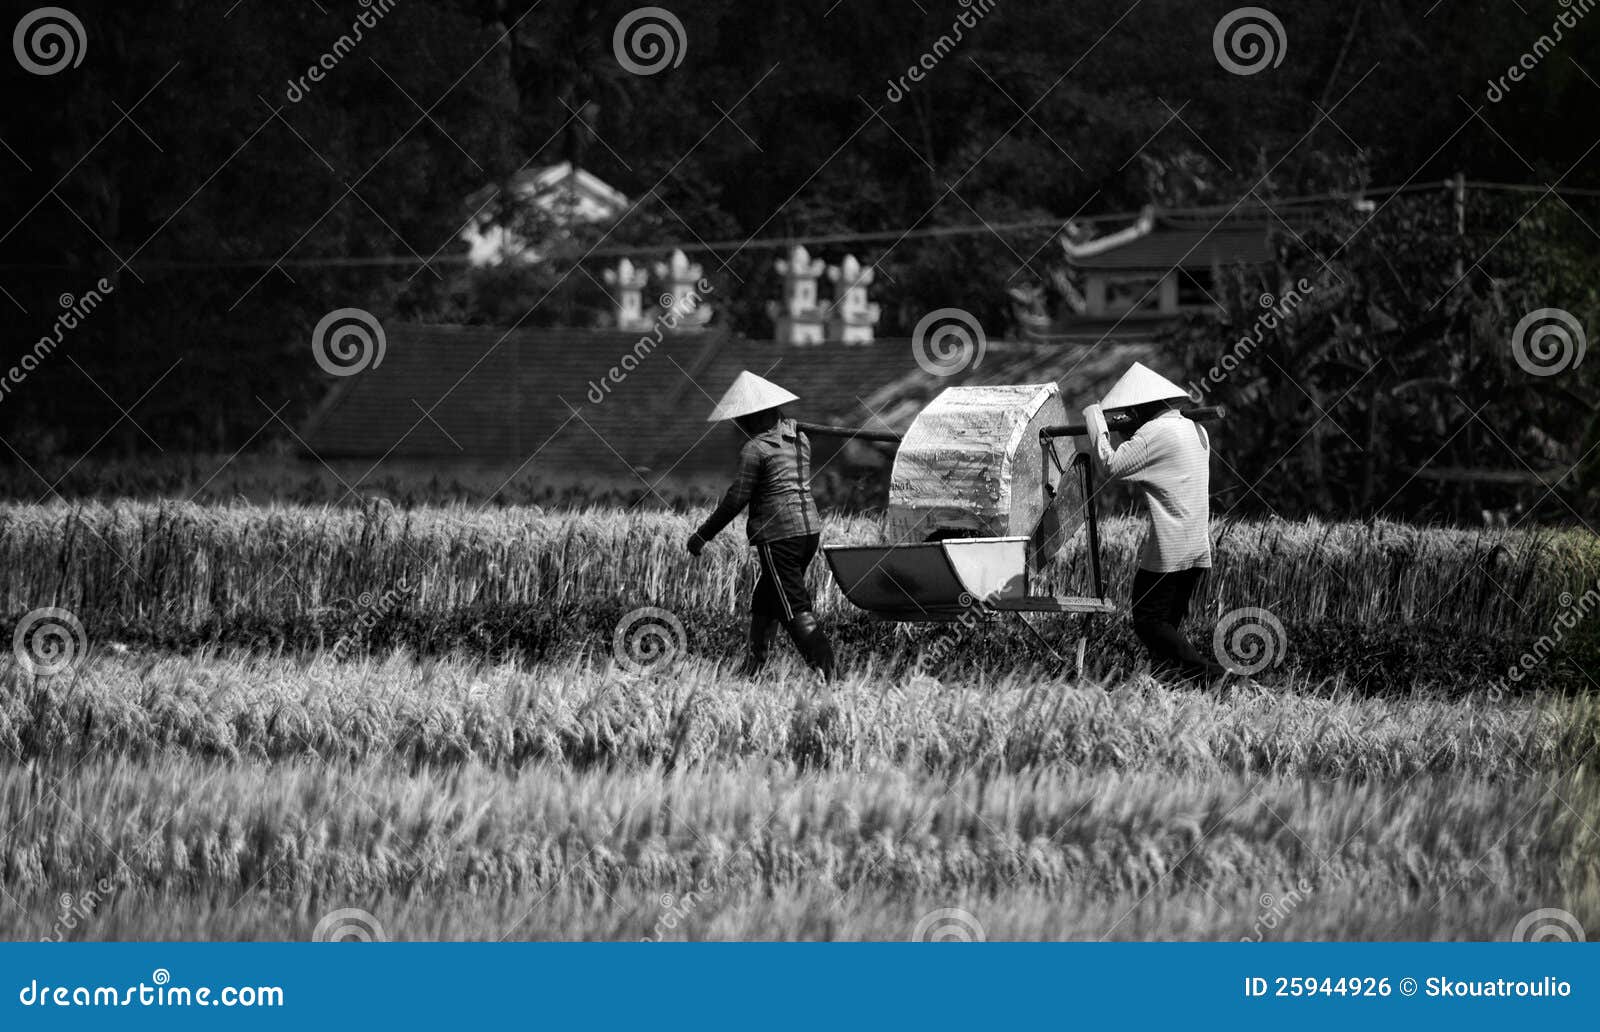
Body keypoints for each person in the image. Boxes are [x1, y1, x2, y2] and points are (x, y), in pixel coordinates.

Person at [687, 371, 837, 679]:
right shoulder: (800, 439)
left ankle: (830, 676)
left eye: (742, 418)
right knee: (766, 599)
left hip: (778, 535)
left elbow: (735, 499)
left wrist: (702, 535)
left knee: (793, 606)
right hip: (808, 531)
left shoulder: (755, 450)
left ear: (756, 417)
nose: (738, 425)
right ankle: (751, 669)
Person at [1082, 362, 1225, 685]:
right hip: (1197, 548)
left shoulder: (1154, 433)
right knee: (1166, 631)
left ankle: (1212, 676)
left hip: (1169, 550)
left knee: (1148, 621)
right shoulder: (1195, 429)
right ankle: (1166, 690)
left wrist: (1095, 420)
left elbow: (1112, 465)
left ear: (1142, 409)